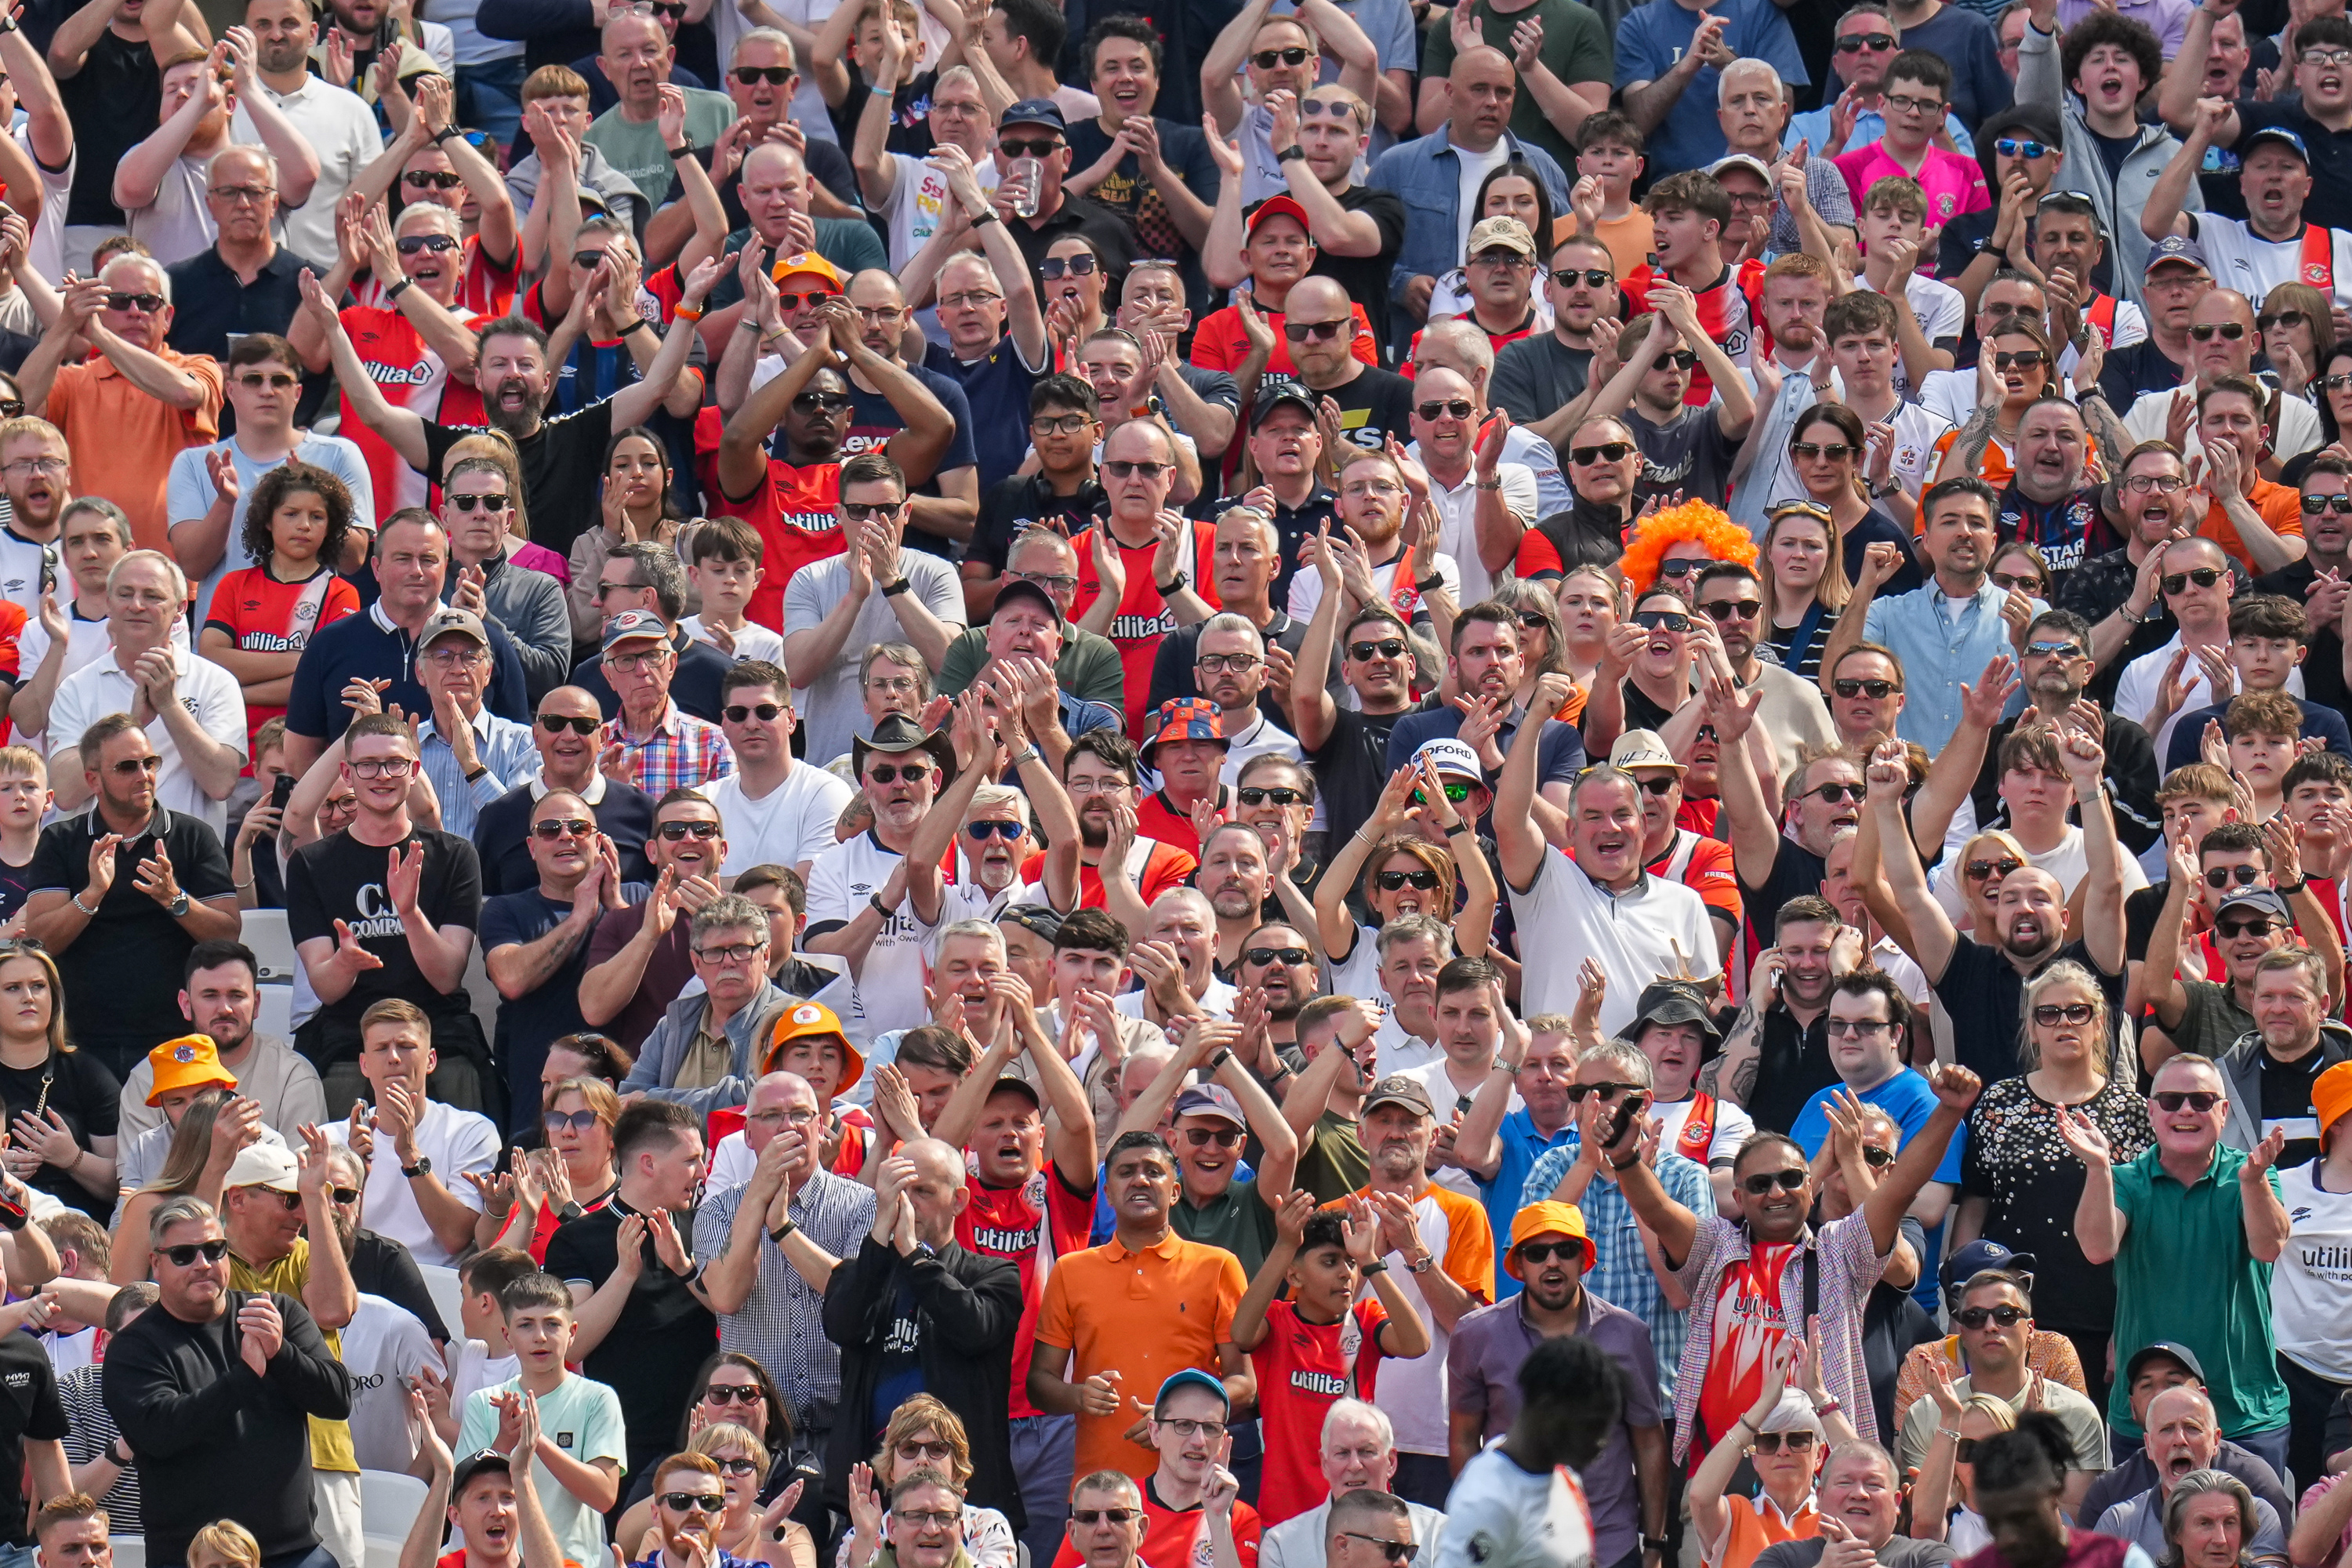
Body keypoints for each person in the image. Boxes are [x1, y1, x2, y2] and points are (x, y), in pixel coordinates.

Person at [2061, 1051, 2292, 1477]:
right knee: (2149, 1542)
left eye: (2202, 1101)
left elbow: (2269, 1247)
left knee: (2256, 1542)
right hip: (2149, 1417)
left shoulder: (2252, 1174)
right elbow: (2097, 1247)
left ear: (2224, 1111)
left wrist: (2255, 1182)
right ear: (2151, 1111)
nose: (2186, 1110)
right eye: (2171, 1101)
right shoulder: (2127, 1179)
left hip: (2244, 1412)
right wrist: (2098, 1167)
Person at [101, 1195, 351, 1568]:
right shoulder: (134, 1347)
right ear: (156, 1263)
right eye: (184, 1255)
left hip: (292, 1552)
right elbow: (160, 1433)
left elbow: (337, 1399)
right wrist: (246, 1377)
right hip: (193, 1559)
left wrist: (280, 1353)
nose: (203, 1265)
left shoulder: (275, 1312)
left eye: (215, 1250)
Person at [282, 707, 488, 1102]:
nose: (383, 776)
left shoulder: (455, 856)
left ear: (414, 771)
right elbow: (326, 989)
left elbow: (447, 977)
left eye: (395, 763)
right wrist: (345, 962)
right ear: (347, 774)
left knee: (461, 1079)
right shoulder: (312, 864)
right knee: (338, 1087)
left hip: (437, 1030)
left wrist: (409, 913)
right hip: (349, 1033)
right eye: (369, 766)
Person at [1446, 1200, 1663, 1568]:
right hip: (1516, 1545)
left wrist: (1655, 1545)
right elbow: (1465, 1436)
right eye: (1537, 1252)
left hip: (1612, 1541)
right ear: (1518, 1265)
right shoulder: (1475, 1334)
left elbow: (1649, 1439)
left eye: (1565, 1250)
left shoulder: (1628, 1335)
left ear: (1584, 1259)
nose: (1552, 1262)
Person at [819, 1135, 1022, 1523]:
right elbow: (842, 1325)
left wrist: (914, 1256)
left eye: (923, 1192)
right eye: (898, 1191)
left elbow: (974, 1328)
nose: (908, 1204)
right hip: (873, 1497)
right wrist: (880, 1240)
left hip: (966, 1496)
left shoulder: (994, 1274)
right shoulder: (862, 1273)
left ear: (959, 1201)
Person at [1029, 1131, 1247, 1484]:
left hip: (1194, 1489)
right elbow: (1040, 1384)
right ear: (1108, 1194)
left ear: (1175, 1192)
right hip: (1100, 1494)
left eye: (1153, 1171)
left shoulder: (1219, 1266)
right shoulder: (1071, 1271)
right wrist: (1079, 1396)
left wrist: (1177, 1419)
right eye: (1126, 1172)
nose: (1140, 1180)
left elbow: (1245, 1383)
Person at [693, 1066, 877, 1450]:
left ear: (822, 1125)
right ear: (747, 1134)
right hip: (755, 1436)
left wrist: (781, 1229)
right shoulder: (718, 1212)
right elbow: (725, 1296)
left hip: (845, 1428)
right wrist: (758, 1199)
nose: (787, 1127)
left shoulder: (861, 1204)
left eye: (799, 1114)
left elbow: (857, 1299)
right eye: (771, 1116)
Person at [20, 254, 227, 554]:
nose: (135, 312)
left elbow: (184, 394)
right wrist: (66, 324)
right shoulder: (74, 381)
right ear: (100, 311)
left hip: (174, 572)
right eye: (119, 302)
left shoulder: (199, 366)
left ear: (167, 316)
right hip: (93, 569)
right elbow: (18, 408)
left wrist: (97, 335)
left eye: (147, 301)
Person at [1427, 1334, 1622, 1568]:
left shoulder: (1565, 1478)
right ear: (1547, 1409)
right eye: (1593, 1427)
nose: (1601, 1444)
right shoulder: (1488, 1502)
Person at [471, 688, 655, 898]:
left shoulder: (642, 811)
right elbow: (484, 903)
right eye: (554, 724)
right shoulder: (498, 817)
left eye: (583, 725)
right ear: (536, 737)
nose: (569, 736)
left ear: (603, 738)